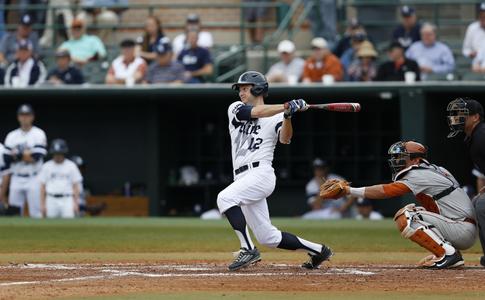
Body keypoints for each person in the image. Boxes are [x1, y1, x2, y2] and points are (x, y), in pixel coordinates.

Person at [217, 71, 333, 271]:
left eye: (245, 88)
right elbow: (257, 113)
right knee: (268, 237)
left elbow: (285, 138)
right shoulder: (235, 108)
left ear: (259, 88)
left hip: (261, 174)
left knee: (225, 198)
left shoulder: (278, 116)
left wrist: (288, 116)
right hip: (242, 177)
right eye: (240, 89)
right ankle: (319, 250)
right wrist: (286, 106)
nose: (241, 93)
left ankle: (248, 249)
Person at [321, 141, 476, 269]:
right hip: (461, 226)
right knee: (416, 211)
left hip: (460, 229)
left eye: (401, 157)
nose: (396, 161)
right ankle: (445, 252)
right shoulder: (436, 170)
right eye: (395, 157)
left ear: (416, 160)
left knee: (406, 217)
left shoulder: (418, 173)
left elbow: (386, 191)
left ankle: (448, 253)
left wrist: (349, 190)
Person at [446, 98, 485, 267]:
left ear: (475, 117)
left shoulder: (481, 135)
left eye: (461, 115)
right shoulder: (475, 136)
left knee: (482, 205)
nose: (456, 118)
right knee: (477, 202)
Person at [1, 104, 47, 218]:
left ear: (32, 117)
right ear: (18, 117)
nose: (24, 118)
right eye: (22, 115)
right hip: (16, 178)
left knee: (36, 214)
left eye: (27, 115)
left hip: (34, 177)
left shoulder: (38, 133)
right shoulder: (12, 135)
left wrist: (16, 154)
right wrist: (26, 153)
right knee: (14, 213)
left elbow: (36, 157)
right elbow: (6, 158)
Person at [39, 139, 82, 218]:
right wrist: (42, 204)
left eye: (60, 153)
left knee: (69, 224)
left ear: (64, 153)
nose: (58, 156)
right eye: (55, 153)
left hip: (67, 199)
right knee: (50, 225)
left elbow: (76, 186)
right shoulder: (46, 166)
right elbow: (42, 187)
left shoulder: (71, 166)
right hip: (51, 199)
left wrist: (76, 203)